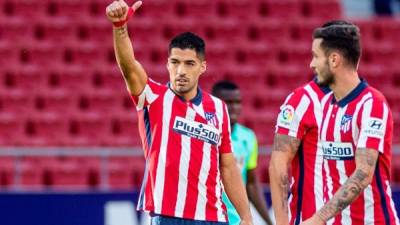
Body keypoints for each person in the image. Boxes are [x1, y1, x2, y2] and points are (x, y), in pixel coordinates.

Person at [105, 1, 253, 225]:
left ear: (202, 67)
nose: (181, 71)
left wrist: (246, 215)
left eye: (189, 64)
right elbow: (128, 67)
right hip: (168, 217)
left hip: (213, 217)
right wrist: (120, 27)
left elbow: (228, 166)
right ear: (167, 64)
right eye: (175, 62)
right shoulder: (154, 98)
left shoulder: (218, 108)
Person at [301, 20, 400, 225]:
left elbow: (363, 174)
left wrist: (319, 218)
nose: (311, 64)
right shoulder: (326, 105)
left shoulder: (371, 104)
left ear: (334, 60)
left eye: (316, 56)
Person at [269, 74, 331, 224]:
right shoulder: (302, 100)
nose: (312, 63)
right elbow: (278, 165)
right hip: (308, 216)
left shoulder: (364, 103)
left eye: (317, 56)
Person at [211, 81, 273, 225]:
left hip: (236, 219)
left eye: (237, 102)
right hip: (208, 217)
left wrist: (269, 221)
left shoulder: (248, 137)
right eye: (228, 102)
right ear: (216, 103)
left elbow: (250, 183)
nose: (234, 108)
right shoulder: (206, 135)